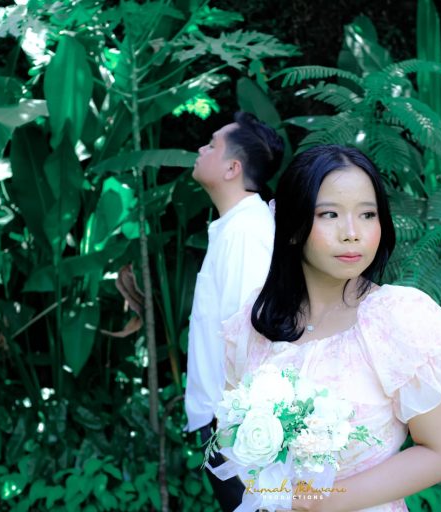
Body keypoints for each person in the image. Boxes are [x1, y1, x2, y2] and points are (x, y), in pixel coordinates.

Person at [220, 144, 441, 511]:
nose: (351, 233)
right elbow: (230, 434)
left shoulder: (398, 319)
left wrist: (317, 502)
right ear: (293, 227)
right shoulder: (254, 323)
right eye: (329, 214)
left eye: (367, 214)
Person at [185, 112, 284, 510]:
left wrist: (233, 434)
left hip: (236, 432)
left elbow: (253, 338)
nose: (201, 149)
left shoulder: (246, 233)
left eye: (212, 145)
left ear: (232, 168)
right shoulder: (236, 227)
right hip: (225, 425)